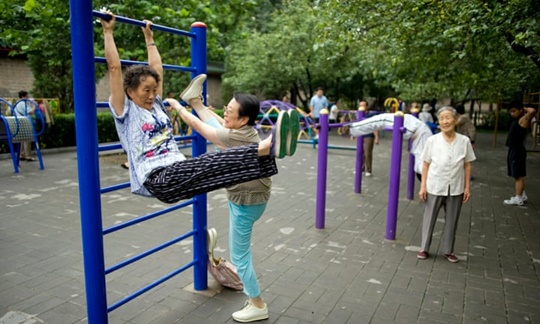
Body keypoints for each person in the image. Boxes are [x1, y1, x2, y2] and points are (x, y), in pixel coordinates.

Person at [100, 12, 298, 204]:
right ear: (130, 91)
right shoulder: (125, 111)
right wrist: (108, 32)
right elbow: (114, 68)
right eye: (146, 91)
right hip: (158, 178)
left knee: (226, 173)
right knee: (211, 162)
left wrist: (149, 38)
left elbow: (157, 69)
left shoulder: (156, 105)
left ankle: (269, 152)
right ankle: (267, 146)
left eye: (154, 90)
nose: (152, 95)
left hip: (177, 168)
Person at [166, 91, 299, 323]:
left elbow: (201, 126)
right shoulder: (244, 131)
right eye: (226, 107)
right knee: (240, 251)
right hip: (253, 197)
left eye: (230, 111)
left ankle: (258, 304)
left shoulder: (234, 138)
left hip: (246, 202)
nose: (225, 112)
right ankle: (273, 143)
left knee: (240, 257)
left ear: (243, 119)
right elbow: (215, 123)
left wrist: (178, 106)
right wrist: (196, 102)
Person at [416, 106, 476, 263]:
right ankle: (424, 248)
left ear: (455, 120)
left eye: (448, 118)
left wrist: (467, 187)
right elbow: (425, 164)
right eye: (441, 118)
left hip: (456, 187)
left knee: (452, 220)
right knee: (429, 218)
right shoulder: (432, 140)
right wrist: (423, 186)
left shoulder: (464, 141)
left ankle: (448, 250)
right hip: (435, 185)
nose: (444, 121)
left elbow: (467, 164)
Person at [348, 112, 433, 176]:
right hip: (419, 132)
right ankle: (353, 128)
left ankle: (353, 128)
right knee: (420, 166)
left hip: (419, 132)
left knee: (421, 167)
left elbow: (380, 121)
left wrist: (353, 128)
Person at [503, 101, 536, 206]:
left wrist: (524, 108)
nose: (512, 113)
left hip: (517, 151)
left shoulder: (523, 119)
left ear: (521, 110)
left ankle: (518, 198)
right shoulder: (517, 119)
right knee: (516, 173)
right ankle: (522, 194)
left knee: (518, 175)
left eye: (514, 111)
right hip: (513, 149)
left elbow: (533, 111)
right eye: (510, 112)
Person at [13, 90, 37, 161]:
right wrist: (34, 106)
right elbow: (30, 112)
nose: (28, 97)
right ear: (23, 96)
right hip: (24, 122)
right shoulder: (23, 103)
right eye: (27, 96)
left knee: (22, 139)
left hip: (17, 122)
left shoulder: (16, 103)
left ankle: (21, 154)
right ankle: (28, 156)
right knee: (27, 139)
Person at [358, 100, 379, 177]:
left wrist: (376, 137)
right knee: (360, 153)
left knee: (367, 153)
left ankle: (368, 170)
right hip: (360, 135)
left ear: (366, 106)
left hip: (368, 135)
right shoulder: (359, 114)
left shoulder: (370, 115)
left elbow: (374, 127)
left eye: (363, 105)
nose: (361, 107)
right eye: (360, 105)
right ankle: (361, 168)